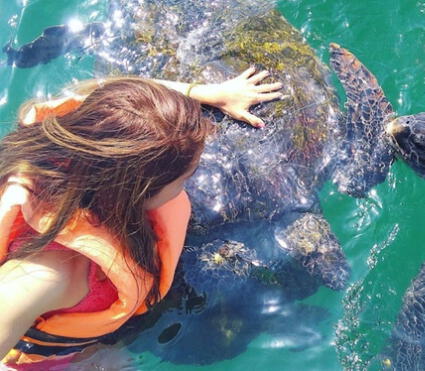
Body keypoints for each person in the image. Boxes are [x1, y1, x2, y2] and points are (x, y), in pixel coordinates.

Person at [0, 67, 283, 369]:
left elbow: (105, 91)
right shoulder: (53, 272)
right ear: (138, 192)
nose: (188, 184)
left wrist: (207, 93)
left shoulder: (83, 130)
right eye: (185, 179)